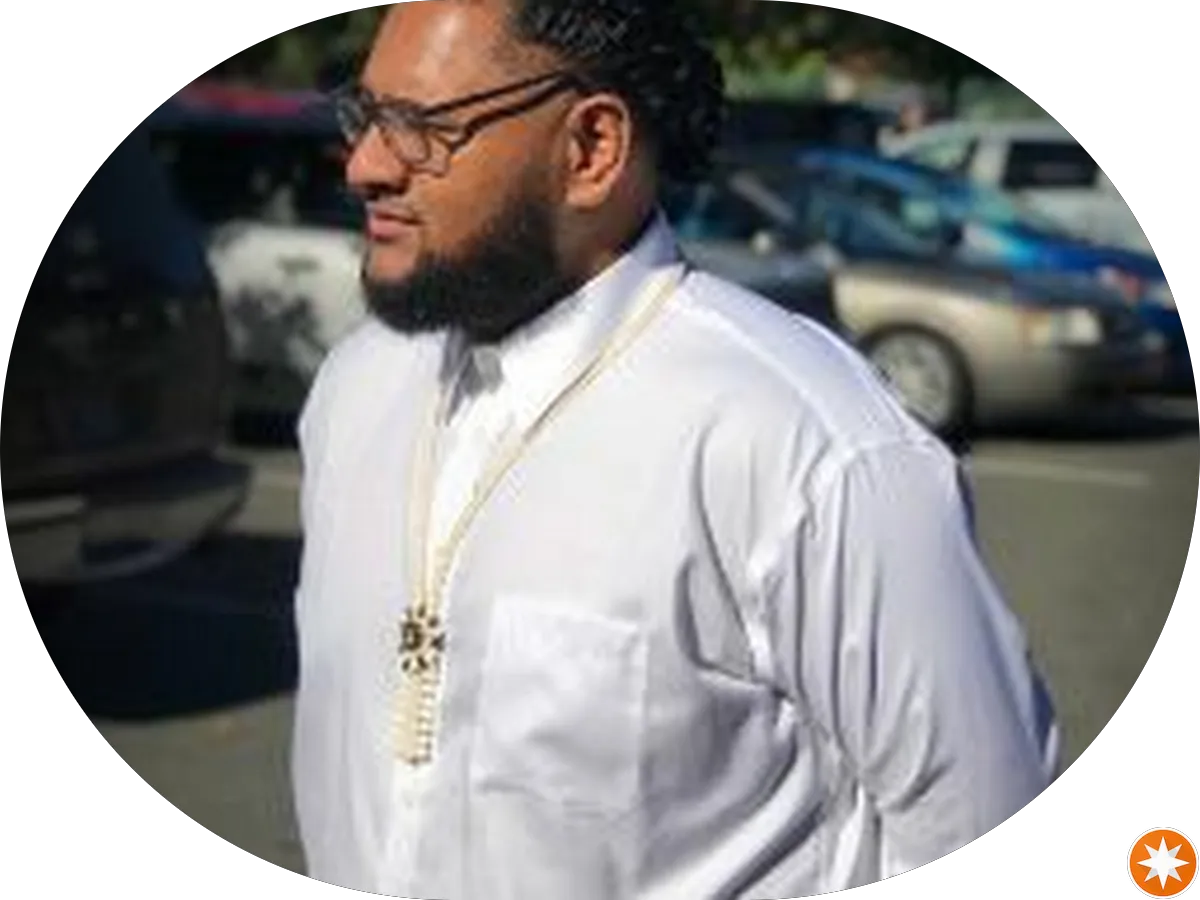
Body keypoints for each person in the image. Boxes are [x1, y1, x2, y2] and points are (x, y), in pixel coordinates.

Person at [290, 2, 1061, 897]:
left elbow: (975, 808)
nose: (365, 165)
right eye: (364, 113)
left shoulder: (806, 440)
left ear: (592, 149)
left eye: (420, 127)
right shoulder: (355, 389)